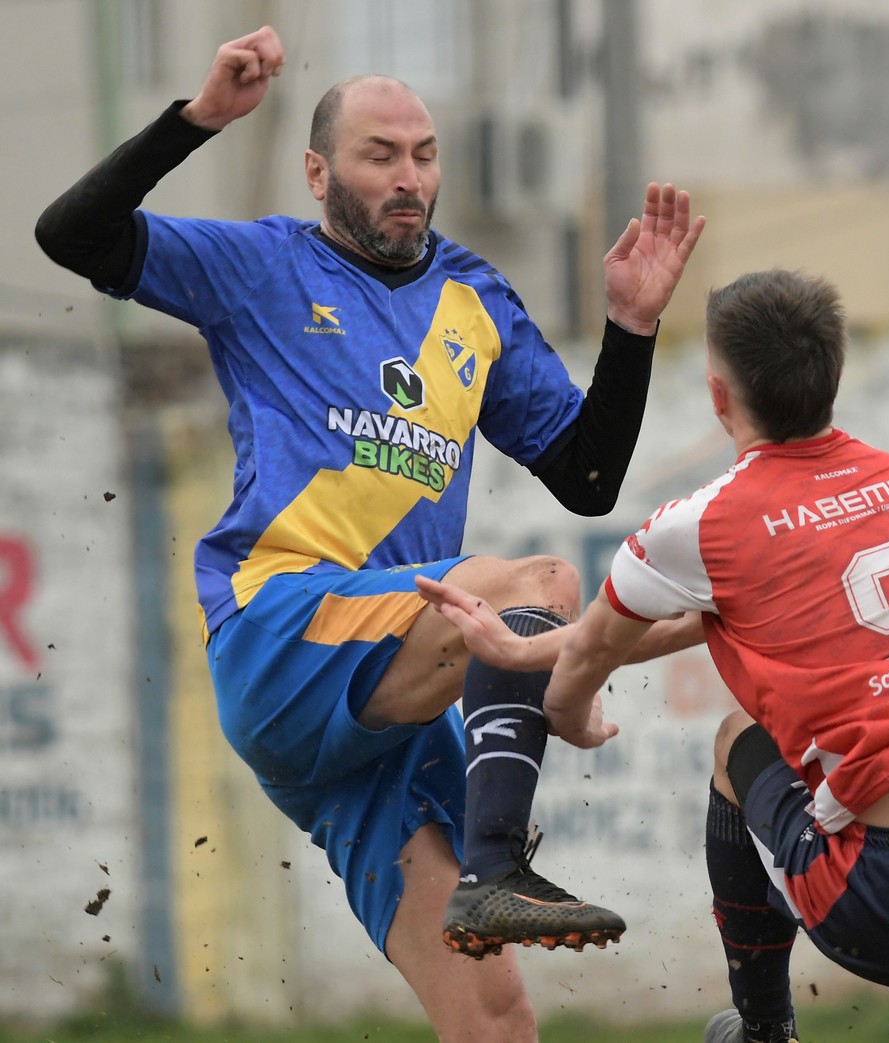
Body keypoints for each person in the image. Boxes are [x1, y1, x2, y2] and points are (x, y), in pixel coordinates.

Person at [35, 25, 704, 1043]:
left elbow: (587, 475)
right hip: (279, 630)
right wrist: (200, 118)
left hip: (376, 707)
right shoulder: (260, 264)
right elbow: (69, 234)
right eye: (379, 154)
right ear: (317, 171)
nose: (408, 177)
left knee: (495, 1018)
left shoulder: (471, 298)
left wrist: (630, 329)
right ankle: (499, 863)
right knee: (527, 582)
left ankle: (494, 859)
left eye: (424, 154)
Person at [417, 269, 889, 1043]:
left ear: (718, 396)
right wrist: (531, 649)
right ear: (834, 376)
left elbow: (597, 647)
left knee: (738, 740)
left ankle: (765, 1030)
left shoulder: (702, 524)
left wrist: (563, 709)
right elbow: (724, 616)